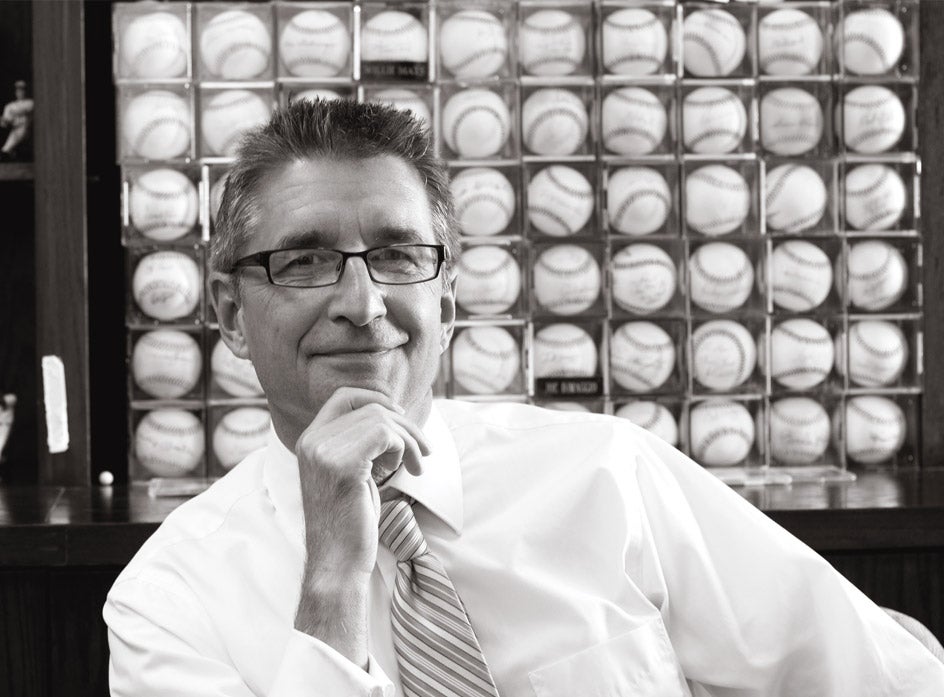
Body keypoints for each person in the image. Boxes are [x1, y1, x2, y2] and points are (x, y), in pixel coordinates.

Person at [103, 98, 944, 696]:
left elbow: (883, 674)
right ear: (229, 316)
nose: (362, 304)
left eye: (399, 257)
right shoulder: (168, 601)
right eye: (306, 260)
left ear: (450, 298)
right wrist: (331, 576)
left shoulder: (608, 474)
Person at [0, 80, 33, 161]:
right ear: (15, 92)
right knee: (5, 150)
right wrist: (3, 121)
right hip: (16, 130)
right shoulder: (9, 106)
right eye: (18, 90)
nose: (20, 92)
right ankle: (12, 154)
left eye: (22, 90)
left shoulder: (31, 102)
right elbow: (5, 123)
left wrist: (13, 114)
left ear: (26, 91)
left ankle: (13, 153)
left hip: (28, 129)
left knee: (22, 130)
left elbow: (24, 110)